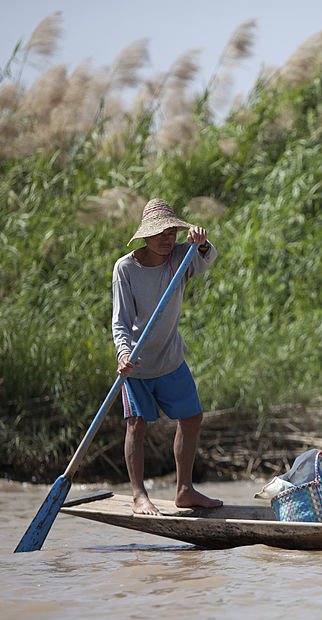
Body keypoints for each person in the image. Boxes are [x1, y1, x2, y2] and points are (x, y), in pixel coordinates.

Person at [112, 198, 223, 515]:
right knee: (136, 424)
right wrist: (123, 354)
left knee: (191, 418)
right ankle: (138, 495)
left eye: (172, 231)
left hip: (171, 357)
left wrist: (201, 244)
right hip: (137, 362)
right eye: (160, 233)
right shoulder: (126, 268)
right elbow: (120, 321)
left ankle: (185, 490)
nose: (167, 238)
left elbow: (208, 258)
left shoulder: (180, 257)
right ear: (146, 236)